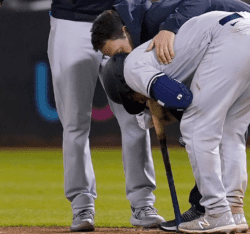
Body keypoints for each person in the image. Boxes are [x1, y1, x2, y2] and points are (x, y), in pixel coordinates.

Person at [91, 1, 250, 232]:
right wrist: (158, 106)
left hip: (236, 38)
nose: (121, 58)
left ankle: (217, 211)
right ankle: (234, 210)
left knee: (196, 127)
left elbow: (182, 98)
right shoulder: (152, 48)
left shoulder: (134, 62)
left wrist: (161, 107)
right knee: (231, 131)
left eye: (119, 52)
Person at [47, 0, 168, 232]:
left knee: (135, 117)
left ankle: (143, 203)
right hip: (71, 22)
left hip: (121, 19)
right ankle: (81, 204)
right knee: (74, 122)